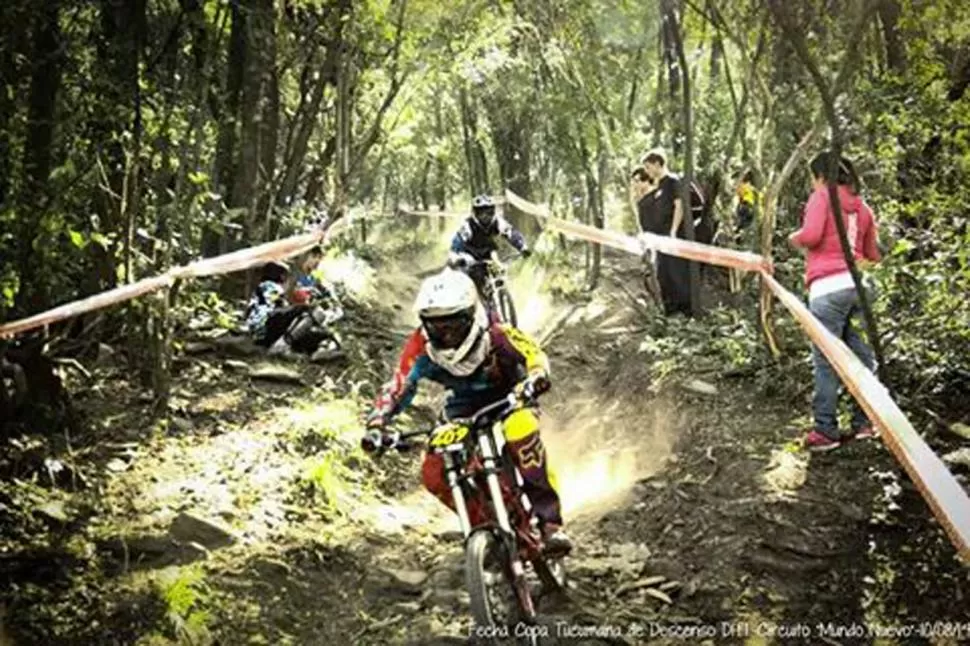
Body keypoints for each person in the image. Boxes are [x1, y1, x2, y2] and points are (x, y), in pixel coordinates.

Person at [362, 268, 571, 554]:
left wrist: (536, 377)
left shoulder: (496, 334)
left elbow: (533, 352)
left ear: (471, 316)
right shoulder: (420, 346)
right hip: (462, 405)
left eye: (453, 326)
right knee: (433, 473)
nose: (445, 335)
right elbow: (399, 383)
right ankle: (485, 530)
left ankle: (550, 523)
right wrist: (378, 420)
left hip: (510, 394)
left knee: (521, 431)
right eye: (436, 327)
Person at [789, 152, 881, 451]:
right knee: (862, 357)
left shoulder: (822, 196)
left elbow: (812, 235)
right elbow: (873, 254)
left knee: (826, 361)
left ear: (820, 176)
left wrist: (795, 238)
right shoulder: (863, 208)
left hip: (827, 289)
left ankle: (826, 431)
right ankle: (864, 423)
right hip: (859, 288)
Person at [636, 148, 696, 316]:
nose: (647, 171)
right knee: (664, 274)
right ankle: (670, 310)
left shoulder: (673, 182)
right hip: (660, 241)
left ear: (657, 164)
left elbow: (679, 206)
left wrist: (673, 231)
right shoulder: (659, 186)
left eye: (648, 167)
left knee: (677, 273)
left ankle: (685, 311)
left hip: (673, 238)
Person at [448, 195, 531, 300]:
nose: (486, 216)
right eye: (481, 213)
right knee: (476, 278)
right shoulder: (468, 226)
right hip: (470, 257)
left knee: (498, 271)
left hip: (488, 253)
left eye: (489, 212)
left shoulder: (497, 222)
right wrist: (455, 257)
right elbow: (456, 243)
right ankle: (475, 303)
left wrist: (522, 246)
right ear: (475, 213)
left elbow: (511, 233)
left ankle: (501, 297)